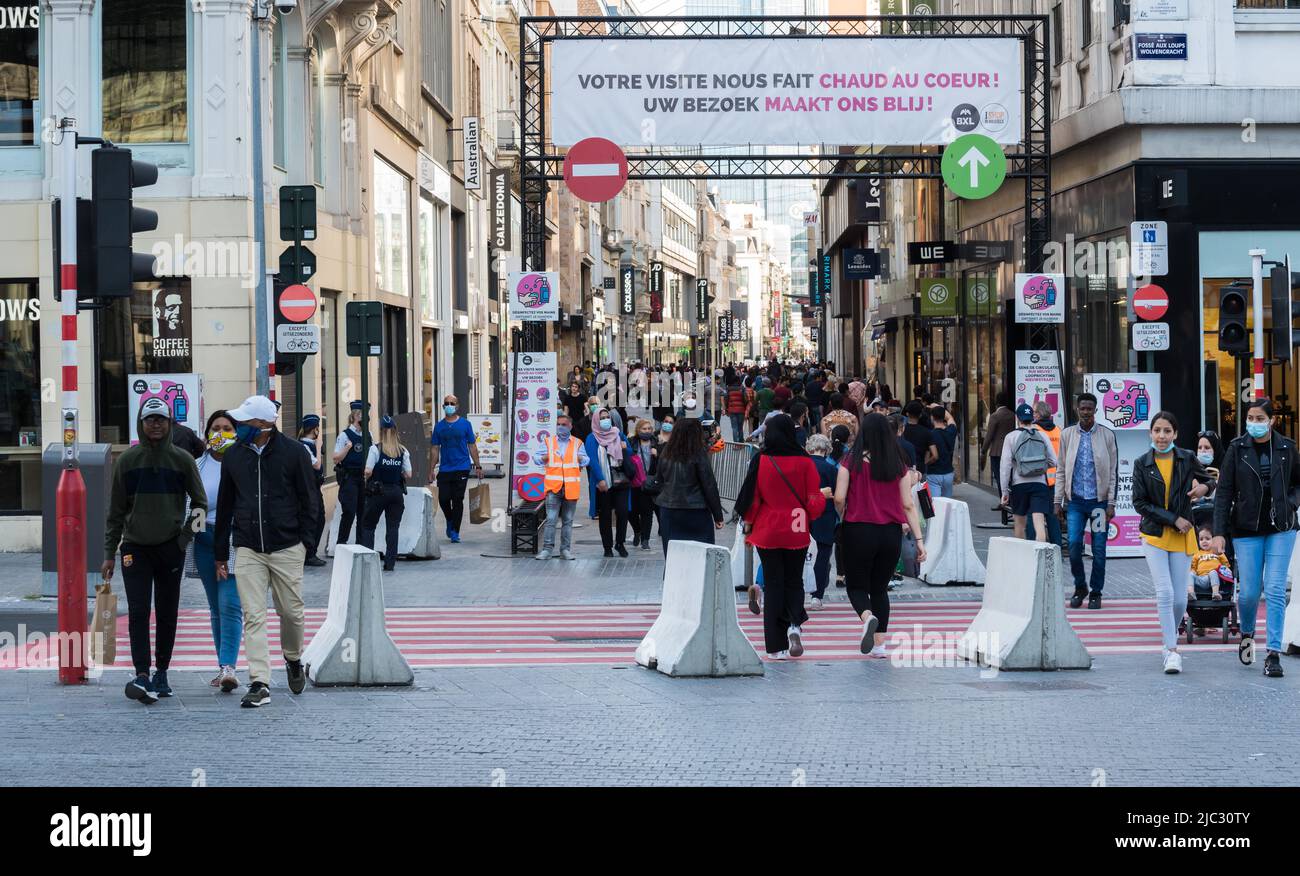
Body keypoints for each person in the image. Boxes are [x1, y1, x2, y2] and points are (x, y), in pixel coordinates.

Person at [214, 395, 319, 708]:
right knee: (253, 615)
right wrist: (222, 552)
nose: (238, 428)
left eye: (244, 423)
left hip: (287, 545)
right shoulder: (233, 456)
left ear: (262, 425)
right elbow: (225, 505)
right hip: (248, 546)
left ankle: (294, 658)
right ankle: (259, 681)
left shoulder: (293, 453)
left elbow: (309, 499)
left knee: (291, 612)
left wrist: (305, 543)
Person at [103, 397, 207, 704]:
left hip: (170, 548)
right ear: (141, 423)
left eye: (161, 419)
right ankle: (142, 674)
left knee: (167, 612)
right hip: (134, 548)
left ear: (170, 423)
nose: (156, 424)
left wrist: (184, 538)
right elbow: (115, 512)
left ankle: (162, 672)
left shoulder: (183, 460)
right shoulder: (127, 461)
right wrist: (110, 552)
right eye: (150, 419)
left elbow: (200, 504)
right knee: (138, 612)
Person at [1211, 397, 1299, 678]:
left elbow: (1298, 483)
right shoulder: (1237, 449)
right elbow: (1223, 493)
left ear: (1272, 420)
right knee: (1249, 593)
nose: (1255, 424)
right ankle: (1247, 634)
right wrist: (1219, 533)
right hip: (1246, 529)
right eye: (1251, 418)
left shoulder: (1288, 448)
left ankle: (1273, 653)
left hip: (1281, 528)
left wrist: (1291, 503)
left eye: (1260, 418)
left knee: (1273, 589)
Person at [734, 414, 828, 660]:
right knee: (794, 580)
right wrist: (813, 513)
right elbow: (813, 500)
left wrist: (748, 525)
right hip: (797, 526)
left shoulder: (761, 460)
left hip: (768, 527)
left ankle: (775, 646)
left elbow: (752, 499)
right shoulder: (805, 462)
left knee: (774, 583)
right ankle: (794, 625)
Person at [834, 412, 928, 658]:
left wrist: (842, 513)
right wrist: (919, 541)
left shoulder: (849, 462)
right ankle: (880, 645)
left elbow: (840, 497)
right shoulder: (898, 465)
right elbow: (908, 504)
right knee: (879, 589)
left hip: (857, 529)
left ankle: (867, 617)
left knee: (856, 585)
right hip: (889, 533)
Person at [1132, 410, 1214, 675]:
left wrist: (1205, 488)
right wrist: (1173, 519)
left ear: (1175, 434)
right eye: (1157, 430)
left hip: (1183, 536)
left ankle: (1168, 643)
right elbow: (1139, 503)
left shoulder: (1187, 457)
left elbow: (1210, 480)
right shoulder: (1141, 463)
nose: (1162, 436)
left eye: (1167, 431)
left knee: (1180, 600)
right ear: (1150, 433)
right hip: (1154, 535)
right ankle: (1173, 650)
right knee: (1165, 593)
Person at [188, 410, 243, 693]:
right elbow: (190, 502)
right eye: (216, 428)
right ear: (207, 434)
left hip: (234, 539)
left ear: (237, 432)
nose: (221, 433)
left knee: (230, 603)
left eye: (227, 428)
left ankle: (229, 666)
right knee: (215, 606)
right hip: (204, 539)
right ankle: (223, 667)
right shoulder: (197, 465)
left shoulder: (243, 463)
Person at [1052, 393, 1119, 609]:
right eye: (1083, 408)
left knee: (1099, 549)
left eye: (1090, 408)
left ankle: (1096, 592)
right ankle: (1080, 587)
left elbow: (1113, 471)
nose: (1086, 412)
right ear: (1077, 409)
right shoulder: (1067, 435)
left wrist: (1111, 503)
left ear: (1096, 410)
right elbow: (1061, 469)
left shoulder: (1107, 435)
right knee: (1072, 545)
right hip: (1076, 503)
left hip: (1099, 504)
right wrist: (1057, 500)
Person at [653, 417, 724, 556]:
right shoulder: (698, 454)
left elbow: (659, 480)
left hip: (669, 509)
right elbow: (709, 485)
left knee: (674, 556)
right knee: (700, 556)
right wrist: (718, 516)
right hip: (696, 510)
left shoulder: (666, 452)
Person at [359, 415, 412, 572]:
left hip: (378, 492)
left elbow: (368, 470)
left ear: (381, 431)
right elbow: (408, 474)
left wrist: (367, 476)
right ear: (395, 431)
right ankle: (390, 563)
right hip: (396, 493)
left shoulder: (375, 449)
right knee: (393, 528)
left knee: (368, 526)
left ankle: (368, 561)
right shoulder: (402, 450)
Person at [999, 403, 1059, 541]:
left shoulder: (1011, 437)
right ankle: (1040, 558)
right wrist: (1039, 466)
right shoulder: (1042, 435)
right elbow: (1053, 461)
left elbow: (1005, 466)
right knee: (1039, 525)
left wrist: (1005, 492)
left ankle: (1022, 559)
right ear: (1032, 417)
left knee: (1020, 525)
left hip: (1019, 485)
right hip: (1040, 485)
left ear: (1017, 418)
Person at [534, 412, 589, 560]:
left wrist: (580, 458)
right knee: (551, 519)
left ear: (570, 426)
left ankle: (565, 550)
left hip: (570, 488)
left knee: (568, 521)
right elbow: (536, 458)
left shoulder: (578, 443)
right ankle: (547, 549)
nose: (560, 427)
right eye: (558, 425)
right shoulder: (548, 442)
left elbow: (586, 460)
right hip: (553, 488)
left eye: (564, 425)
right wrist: (543, 457)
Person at [429, 394, 483, 543]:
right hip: (445, 468)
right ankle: (450, 519)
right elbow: (434, 449)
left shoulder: (465, 424)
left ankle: (455, 531)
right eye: (446, 403)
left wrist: (478, 466)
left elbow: (472, 446)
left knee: (458, 499)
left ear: (457, 406)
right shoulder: (439, 426)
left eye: (452, 403)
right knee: (444, 499)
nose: (449, 405)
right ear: (443, 406)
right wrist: (431, 469)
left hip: (462, 467)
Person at [585, 407, 633, 557]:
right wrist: (600, 479)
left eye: (607, 417)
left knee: (623, 512)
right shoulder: (592, 438)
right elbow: (591, 460)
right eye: (602, 418)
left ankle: (620, 543)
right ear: (596, 420)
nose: (606, 420)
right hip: (603, 483)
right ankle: (607, 546)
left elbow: (630, 452)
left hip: (621, 479)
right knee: (605, 515)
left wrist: (624, 449)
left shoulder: (618, 433)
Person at [805, 433, 840, 611]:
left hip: (802, 516)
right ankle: (816, 597)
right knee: (822, 556)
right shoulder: (831, 470)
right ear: (826, 450)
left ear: (809, 447)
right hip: (824, 516)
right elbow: (838, 496)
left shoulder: (801, 466)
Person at [331, 400, 369, 547]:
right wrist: (347, 448)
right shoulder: (345, 435)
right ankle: (341, 543)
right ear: (354, 416)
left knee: (363, 513)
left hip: (363, 478)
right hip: (350, 478)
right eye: (361, 415)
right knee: (349, 512)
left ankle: (362, 544)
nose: (364, 419)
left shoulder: (368, 434)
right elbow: (335, 458)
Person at [1026, 401, 1064, 546]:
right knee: (1053, 517)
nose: (1033, 415)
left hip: (1038, 477)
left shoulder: (1033, 430)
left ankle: (1030, 546)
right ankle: (1057, 548)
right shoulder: (1059, 431)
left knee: (1033, 515)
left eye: (1035, 412)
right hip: (1055, 480)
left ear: (1039, 414)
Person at [297, 414, 327, 567]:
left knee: (319, 517)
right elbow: (317, 466)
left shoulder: (309, 444)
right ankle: (309, 553)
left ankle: (311, 551)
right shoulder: (304, 446)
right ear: (315, 429)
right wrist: (317, 447)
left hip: (315, 486)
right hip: (309, 487)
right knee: (312, 519)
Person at [627, 417, 659, 551]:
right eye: (643, 429)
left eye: (649, 429)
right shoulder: (631, 443)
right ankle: (637, 531)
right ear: (638, 430)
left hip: (649, 483)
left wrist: (658, 455)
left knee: (647, 512)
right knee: (631, 512)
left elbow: (663, 464)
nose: (646, 431)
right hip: (634, 482)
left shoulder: (656, 443)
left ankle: (645, 539)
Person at [981, 391, 1016, 505]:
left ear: (996, 402)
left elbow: (989, 435)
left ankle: (1003, 501)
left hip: (997, 451)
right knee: (1011, 477)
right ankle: (1012, 501)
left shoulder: (995, 416)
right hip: (1012, 450)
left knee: (1000, 478)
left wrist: (984, 450)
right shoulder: (1013, 415)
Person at [926, 405, 958, 498]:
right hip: (948, 473)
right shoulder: (951, 430)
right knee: (947, 504)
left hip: (934, 473)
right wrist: (938, 406)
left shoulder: (930, 435)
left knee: (936, 504)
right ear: (944, 417)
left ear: (932, 417)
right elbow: (950, 418)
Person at [902, 400, 937, 478]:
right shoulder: (927, 432)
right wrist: (925, 463)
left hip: (903, 468)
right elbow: (935, 455)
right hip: (920, 469)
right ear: (920, 415)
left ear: (907, 414)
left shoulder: (901, 431)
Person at [725, 375, 748, 442]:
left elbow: (726, 399)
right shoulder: (742, 388)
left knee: (734, 427)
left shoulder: (729, 389)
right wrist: (745, 406)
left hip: (732, 410)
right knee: (740, 427)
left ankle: (735, 443)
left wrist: (726, 408)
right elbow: (745, 399)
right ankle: (741, 441)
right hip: (741, 410)